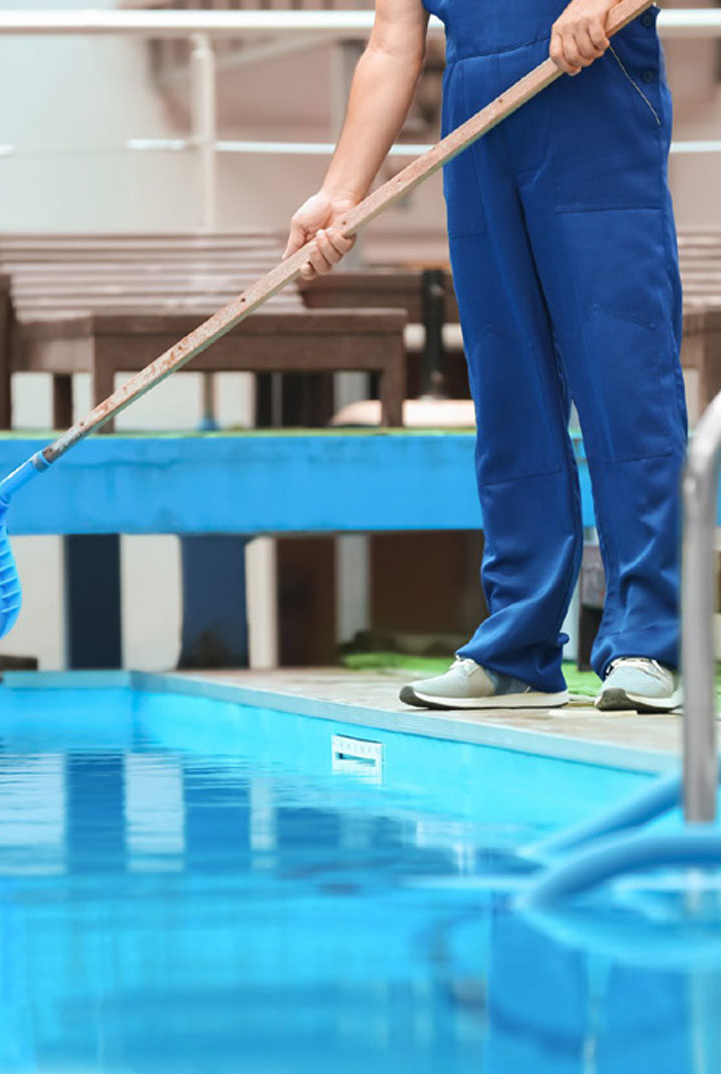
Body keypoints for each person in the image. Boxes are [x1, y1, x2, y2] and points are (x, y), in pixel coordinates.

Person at [285, 0, 686, 713]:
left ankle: (649, 641)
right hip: (480, 119)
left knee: (623, 376)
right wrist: (341, 190)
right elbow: (391, 40)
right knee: (509, 391)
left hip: (592, 92)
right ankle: (517, 652)